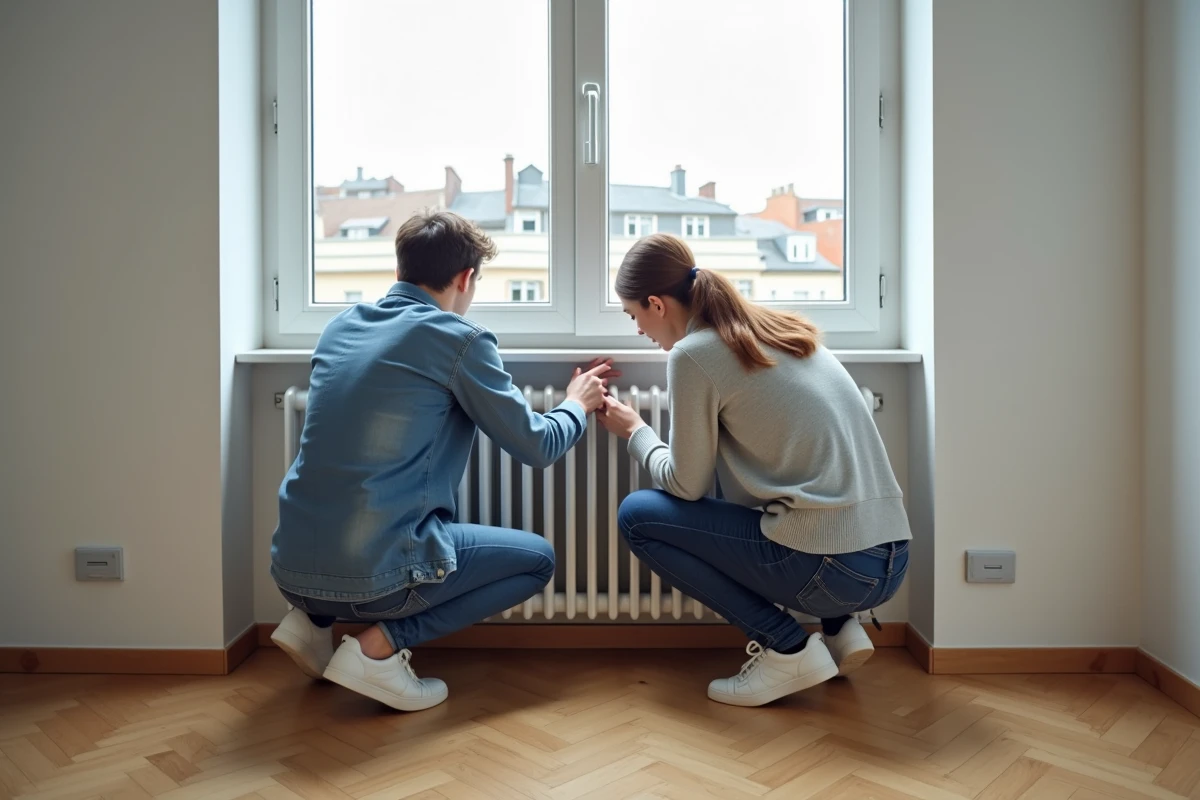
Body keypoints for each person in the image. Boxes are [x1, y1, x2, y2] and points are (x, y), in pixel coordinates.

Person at [270, 210, 615, 712]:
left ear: (400, 269)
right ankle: (379, 648)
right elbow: (537, 445)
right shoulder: (460, 340)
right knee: (537, 560)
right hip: (375, 582)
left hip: (292, 567)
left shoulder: (341, 326)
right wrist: (577, 403)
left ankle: (309, 621)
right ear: (465, 277)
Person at [596, 233, 910, 708]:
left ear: (656, 304)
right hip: (889, 560)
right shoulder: (776, 328)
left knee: (638, 516)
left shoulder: (694, 354)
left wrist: (636, 430)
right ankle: (842, 629)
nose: (638, 329)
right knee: (761, 478)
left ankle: (787, 649)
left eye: (633, 315)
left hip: (836, 571)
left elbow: (686, 484)